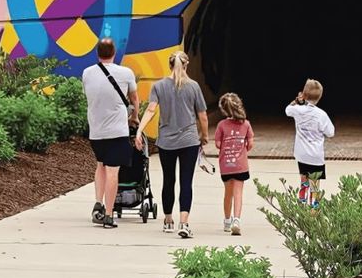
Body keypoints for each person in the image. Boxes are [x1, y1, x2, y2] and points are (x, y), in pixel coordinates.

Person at [135, 51, 208, 239]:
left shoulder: (158, 86)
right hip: (189, 141)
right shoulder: (194, 87)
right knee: (186, 182)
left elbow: (151, 110)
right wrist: (204, 136)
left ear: (169, 66)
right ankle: (184, 223)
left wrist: (138, 131)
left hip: (166, 141)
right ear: (186, 65)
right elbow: (202, 116)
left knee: (169, 180)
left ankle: (168, 220)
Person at [82, 38, 139, 229]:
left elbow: (88, 96)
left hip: (96, 131)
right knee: (113, 171)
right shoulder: (126, 73)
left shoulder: (87, 73)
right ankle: (108, 214)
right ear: (115, 53)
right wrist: (134, 117)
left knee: (100, 165)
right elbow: (134, 100)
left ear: (97, 53)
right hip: (117, 131)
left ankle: (98, 202)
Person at [285, 79, 335, 209]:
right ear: (320, 96)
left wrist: (297, 101)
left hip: (302, 155)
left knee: (304, 181)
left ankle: (301, 204)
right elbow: (331, 133)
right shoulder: (321, 115)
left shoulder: (298, 110)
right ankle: (313, 209)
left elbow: (287, 110)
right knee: (314, 186)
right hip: (316, 156)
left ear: (304, 95)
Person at [215, 92, 254, 236]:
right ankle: (236, 220)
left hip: (226, 165)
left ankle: (226, 221)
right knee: (238, 193)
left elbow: (218, 144)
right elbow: (250, 144)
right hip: (240, 165)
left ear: (224, 109)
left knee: (228, 193)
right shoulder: (246, 124)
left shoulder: (221, 125)